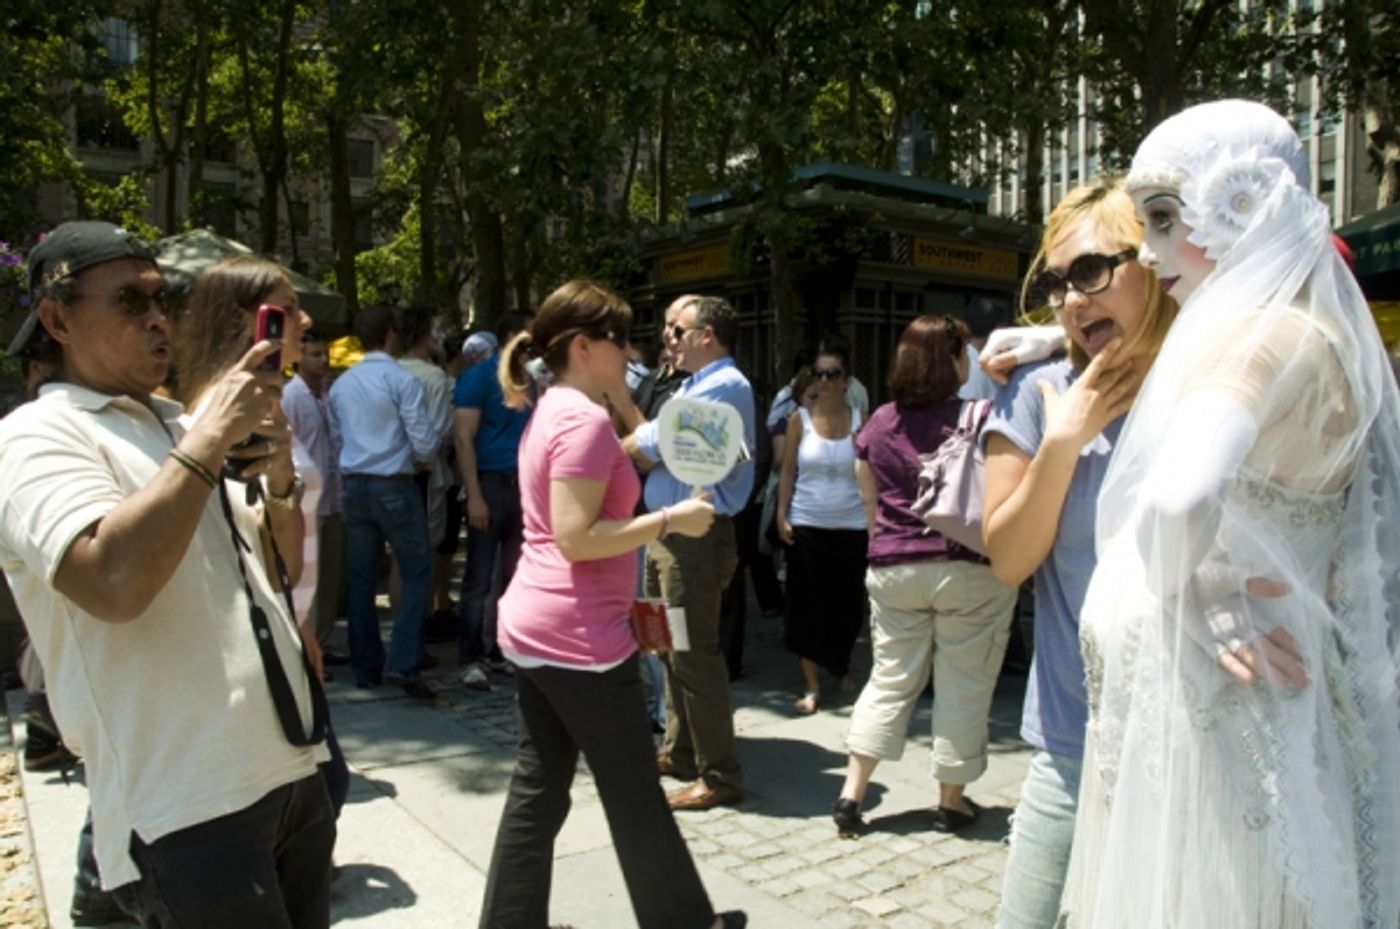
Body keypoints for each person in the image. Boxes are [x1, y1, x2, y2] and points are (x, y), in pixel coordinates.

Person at [1059, 100, 1400, 928]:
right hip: (1267, 712)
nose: (1150, 247)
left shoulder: (1254, 336)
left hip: (1213, 733)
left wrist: (1195, 595)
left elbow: (1179, 497)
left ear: (1240, 202)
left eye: (1169, 218)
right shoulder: (1330, 339)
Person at [0, 221, 332, 927]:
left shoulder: (175, 425)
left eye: (163, 300)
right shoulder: (35, 436)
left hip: (286, 774)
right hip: (188, 804)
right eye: (129, 301)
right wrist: (209, 440)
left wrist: (277, 482)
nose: (157, 320)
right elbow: (113, 581)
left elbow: (282, 569)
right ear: (56, 319)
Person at [478, 279, 745, 929]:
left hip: (542, 627)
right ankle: (686, 920)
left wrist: (623, 396)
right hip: (580, 639)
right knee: (631, 793)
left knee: (539, 787)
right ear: (581, 345)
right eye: (618, 339)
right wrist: (668, 521)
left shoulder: (560, 407)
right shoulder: (578, 420)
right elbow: (575, 536)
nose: (632, 350)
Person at [981, 182, 1176, 928]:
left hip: (1197, 747)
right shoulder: (1036, 392)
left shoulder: (1212, 385)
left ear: (1156, 261)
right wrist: (1065, 439)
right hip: (1075, 746)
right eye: (1056, 282)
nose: (1068, 300)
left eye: (1091, 271)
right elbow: (1009, 557)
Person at [832, 314, 1019, 837]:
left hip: (893, 566)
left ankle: (852, 793)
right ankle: (951, 801)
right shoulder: (982, 416)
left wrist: (885, 546)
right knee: (964, 682)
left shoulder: (878, 424)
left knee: (889, 678)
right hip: (966, 568)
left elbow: (867, 499)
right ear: (954, 361)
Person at [618, 295, 757, 812]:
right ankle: (678, 750)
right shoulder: (694, 385)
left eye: (678, 330)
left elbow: (648, 444)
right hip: (664, 534)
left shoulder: (725, 384)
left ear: (708, 336)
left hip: (693, 541)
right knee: (661, 641)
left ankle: (719, 774)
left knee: (694, 653)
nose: (667, 339)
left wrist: (621, 448)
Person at [328, 304, 438, 699]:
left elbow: (337, 435)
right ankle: (404, 660)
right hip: (394, 482)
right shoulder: (400, 379)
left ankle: (365, 666)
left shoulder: (341, 385)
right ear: (391, 333)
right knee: (416, 572)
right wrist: (422, 459)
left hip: (355, 483)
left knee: (360, 579)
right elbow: (423, 437)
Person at [775, 339, 867, 714]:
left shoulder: (862, 420)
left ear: (846, 381)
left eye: (833, 374)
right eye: (819, 373)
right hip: (807, 524)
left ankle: (841, 664)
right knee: (806, 608)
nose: (825, 381)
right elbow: (787, 471)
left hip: (851, 525)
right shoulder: (800, 419)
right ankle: (812, 685)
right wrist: (782, 513)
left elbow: (870, 475)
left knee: (846, 606)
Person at [454, 312, 531, 690]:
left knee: (516, 575)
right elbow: (463, 438)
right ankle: (470, 655)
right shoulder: (477, 378)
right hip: (491, 484)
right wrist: (474, 496)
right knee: (480, 576)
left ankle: (503, 650)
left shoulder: (533, 379)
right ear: (509, 337)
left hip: (524, 487)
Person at [282, 328, 347, 662]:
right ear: (299, 358)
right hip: (307, 501)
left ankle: (323, 640)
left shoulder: (325, 394)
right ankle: (306, 646)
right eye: (315, 355)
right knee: (310, 577)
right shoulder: (291, 397)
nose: (323, 361)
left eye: (325, 355)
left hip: (333, 497)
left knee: (330, 578)